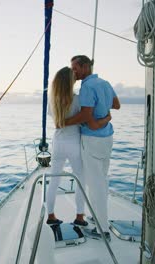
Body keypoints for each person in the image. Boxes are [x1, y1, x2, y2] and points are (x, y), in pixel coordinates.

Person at [46, 66, 111, 226]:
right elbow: (84, 117)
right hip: (74, 142)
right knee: (80, 180)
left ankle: (50, 215)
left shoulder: (52, 101)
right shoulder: (77, 99)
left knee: (54, 180)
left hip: (58, 143)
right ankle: (79, 217)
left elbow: (55, 119)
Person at [65, 55, 120, 237]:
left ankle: (102, 229)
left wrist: (64, 122)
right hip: (107, 137)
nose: (73, 72)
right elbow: (116, 104)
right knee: (102, 180)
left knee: (95, 185)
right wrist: (105, 117)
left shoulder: (87, 86)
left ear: (84, 67)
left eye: (74, 68)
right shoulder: (104, 82)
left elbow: (86, 116)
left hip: (92, 140)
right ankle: (98, 217)